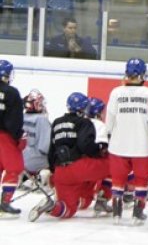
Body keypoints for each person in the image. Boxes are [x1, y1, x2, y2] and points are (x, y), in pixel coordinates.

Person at [29, 93, 111, 221]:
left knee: (68, 209)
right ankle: (103, 197)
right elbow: (85, 146)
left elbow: (52, 149)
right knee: (114, 165)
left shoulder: (56, 122)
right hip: (79, 167)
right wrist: (99, 151)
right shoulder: (84, 122)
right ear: (83, 108)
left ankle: (52, 206)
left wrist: (53, 172)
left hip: (60, 172)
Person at [105, 58, 148, 225]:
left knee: (117, 180)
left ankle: (116, 213)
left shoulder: (116, 92)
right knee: (141, 181)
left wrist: (109, 134)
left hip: (118, 144)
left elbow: (109, 120)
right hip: (142, 145)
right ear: (143, 74)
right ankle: (137, 214)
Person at [0, 60, 24, 216]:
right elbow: (16, 119)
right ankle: (5, 203)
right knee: (13, 168)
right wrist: (18, 138)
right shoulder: (12, 92)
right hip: (5, 137)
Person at [21, 90, 51, 178]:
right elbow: (44, 147)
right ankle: (42, 179)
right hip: (34, 161)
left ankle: (24, 177)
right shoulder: (42, 119)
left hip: (19, 159)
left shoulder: (21, 117)